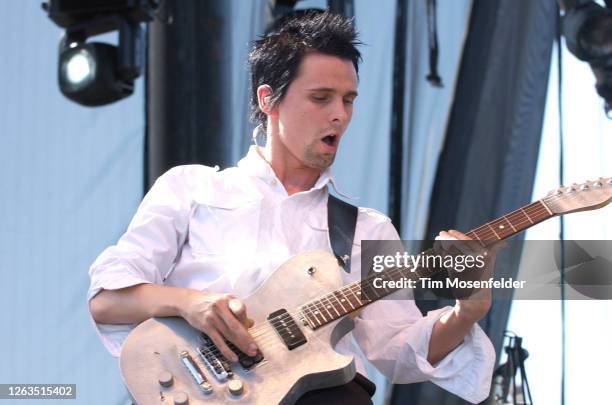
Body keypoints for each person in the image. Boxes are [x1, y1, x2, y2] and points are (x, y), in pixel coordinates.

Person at [88, 10, 495, 404]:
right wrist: (190, 304)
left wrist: (467, 311)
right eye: (321, 98)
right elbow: (107, 301)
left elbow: (399, 351)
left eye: (348, 100)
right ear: (269, 99)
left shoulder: (365, 229)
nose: (340, 115)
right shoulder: (190, 188)